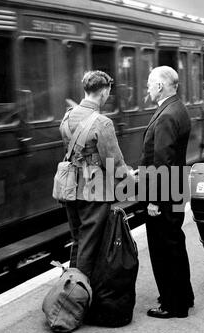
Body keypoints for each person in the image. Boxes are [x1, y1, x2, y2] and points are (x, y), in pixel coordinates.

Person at [60, 70, 133, 278]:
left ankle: (69, 292)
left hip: (70, 188)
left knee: (78, 241)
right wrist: (129, 178)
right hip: (94, 191)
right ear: (104, 92)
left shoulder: (67, 117)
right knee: (89, 246)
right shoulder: (102, 123)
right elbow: (114, 162)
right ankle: (81, 298)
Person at [140, 66, 195, 319]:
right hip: (176, 186)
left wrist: (153, 200)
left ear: (160, 86)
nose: (148, 87)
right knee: (175, 243)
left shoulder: (165, 115)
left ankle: (173, 305)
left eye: (150, 83)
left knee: (163, 248)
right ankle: (184, 296)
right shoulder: (178, 108)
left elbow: (162, 161)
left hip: (164, 192)